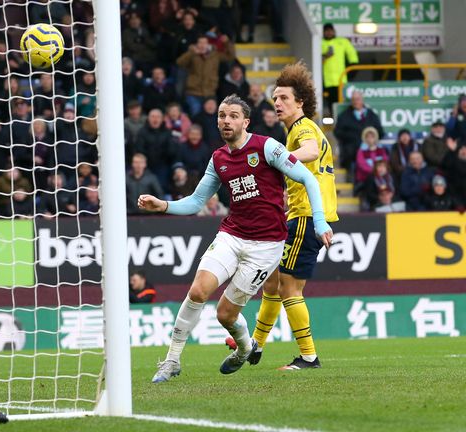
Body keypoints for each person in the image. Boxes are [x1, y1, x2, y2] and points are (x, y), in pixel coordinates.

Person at [142, 95, 332, 383]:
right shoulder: (218, 158)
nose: (226, 121)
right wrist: (164, 205)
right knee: (197, 291)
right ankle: (171, 360)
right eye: (221, 116)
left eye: (232, 116)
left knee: (225, 315)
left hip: (266, 246)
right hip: (232, 235)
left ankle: (245, 348)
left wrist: (319, 221)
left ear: (245, 122)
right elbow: (196, 201)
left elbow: (307, 178)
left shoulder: (267, 147)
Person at [246, 63, 339, 370]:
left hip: (307, 217)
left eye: (284, 97)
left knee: (288, 287)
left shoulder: (303, 128)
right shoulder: (299, 130)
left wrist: (275, 160)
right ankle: (255, 345)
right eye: (275, 98)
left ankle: (309, 357)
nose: (277, 103)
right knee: (273, 282)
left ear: (300, 102)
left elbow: (310, 151)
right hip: (303, 214)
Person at [176, 35, 235, 117]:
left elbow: (230, 56)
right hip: (193, 93)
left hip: (210, 92)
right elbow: (179, 63)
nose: (202, 45)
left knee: (211, 117)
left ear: (208, 44)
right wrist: (191, 53)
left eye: (204, 43)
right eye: (200, 43)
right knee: (196, 115)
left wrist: (227, 43)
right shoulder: (192, 54)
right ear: (196, 44)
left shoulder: (215, 55)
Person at [334, 91, 384, 181]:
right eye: (353, 100)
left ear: (362, 100)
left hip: (371, 149)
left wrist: (370, 139)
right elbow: (338, 132)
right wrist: (353, 137)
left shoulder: (371, 115)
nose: (356, 102)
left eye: (358, 99)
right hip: (352, 150)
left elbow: (380, 132)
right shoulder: (344, 116)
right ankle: (353, 180)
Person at [321, 23, 358, 114]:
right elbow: (315, 59)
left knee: (344, 103)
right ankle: (335, 123)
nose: (329, 33)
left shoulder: (342, 41)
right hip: (328, 82)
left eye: (330, 31)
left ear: (334, 31)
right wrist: (325, 56)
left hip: (342, 80)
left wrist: (350, 74)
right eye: (327, 31)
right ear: (324, 32)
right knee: (331, 104)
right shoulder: (319, 43)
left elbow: (353, 57)